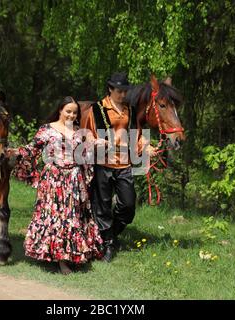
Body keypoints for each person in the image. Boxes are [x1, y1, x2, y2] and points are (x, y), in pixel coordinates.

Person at [10, 96, 105, 275]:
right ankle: (61, 260)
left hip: (74, 180)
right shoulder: (47, 130)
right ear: (60, 110)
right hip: (53, 181)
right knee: (55, 218)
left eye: (74, 112)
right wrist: (16, 152)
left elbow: (84, 154)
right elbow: (32, 149)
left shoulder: (80, 132)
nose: (71, 115)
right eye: (68, 111)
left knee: (72, 218)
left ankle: (71, 254)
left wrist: (96, 144)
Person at [81, 72, 157, 262]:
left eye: (125, 91)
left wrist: (146, 148)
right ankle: (107, 244)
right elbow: (86, 133)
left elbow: (136, 135)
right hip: (103, 163)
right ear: (110, 89)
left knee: (128, 206)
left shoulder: (129, 111)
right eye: (120, 91)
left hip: (124, 163)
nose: (123, 95)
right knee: (103, 206)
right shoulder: (96, 109)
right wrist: (93, 141)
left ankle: (110, 235)